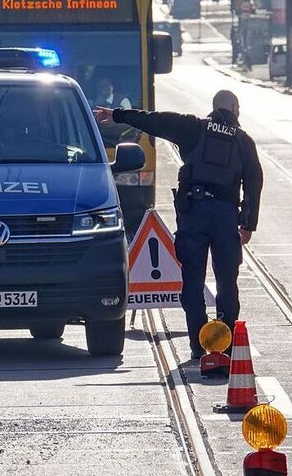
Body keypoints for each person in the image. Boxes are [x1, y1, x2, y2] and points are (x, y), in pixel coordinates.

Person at [94, 90, 263, 359]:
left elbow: (154, 120)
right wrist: (248, 224)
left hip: (194, 213)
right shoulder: (243, 141)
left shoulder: (192, 127)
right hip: (226, 216)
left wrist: (117, 115)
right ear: (234, 107)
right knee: (227, 282)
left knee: (193, 281)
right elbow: (254, 183)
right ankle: (225, 344)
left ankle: (199, 345)